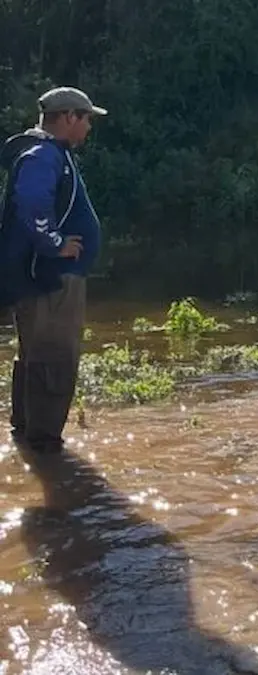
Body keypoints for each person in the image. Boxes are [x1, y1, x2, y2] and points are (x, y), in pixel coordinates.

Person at [0, 86, 106, 452]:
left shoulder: (49, 154)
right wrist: (57, 244)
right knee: (54, 358)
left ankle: (28, 437)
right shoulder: (43, 156)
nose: (89, 126)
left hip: (43, 277)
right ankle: (45, 451)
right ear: (68, 118)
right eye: (86, 118)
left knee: (36, 354)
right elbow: (31, 203)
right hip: (48, 279)